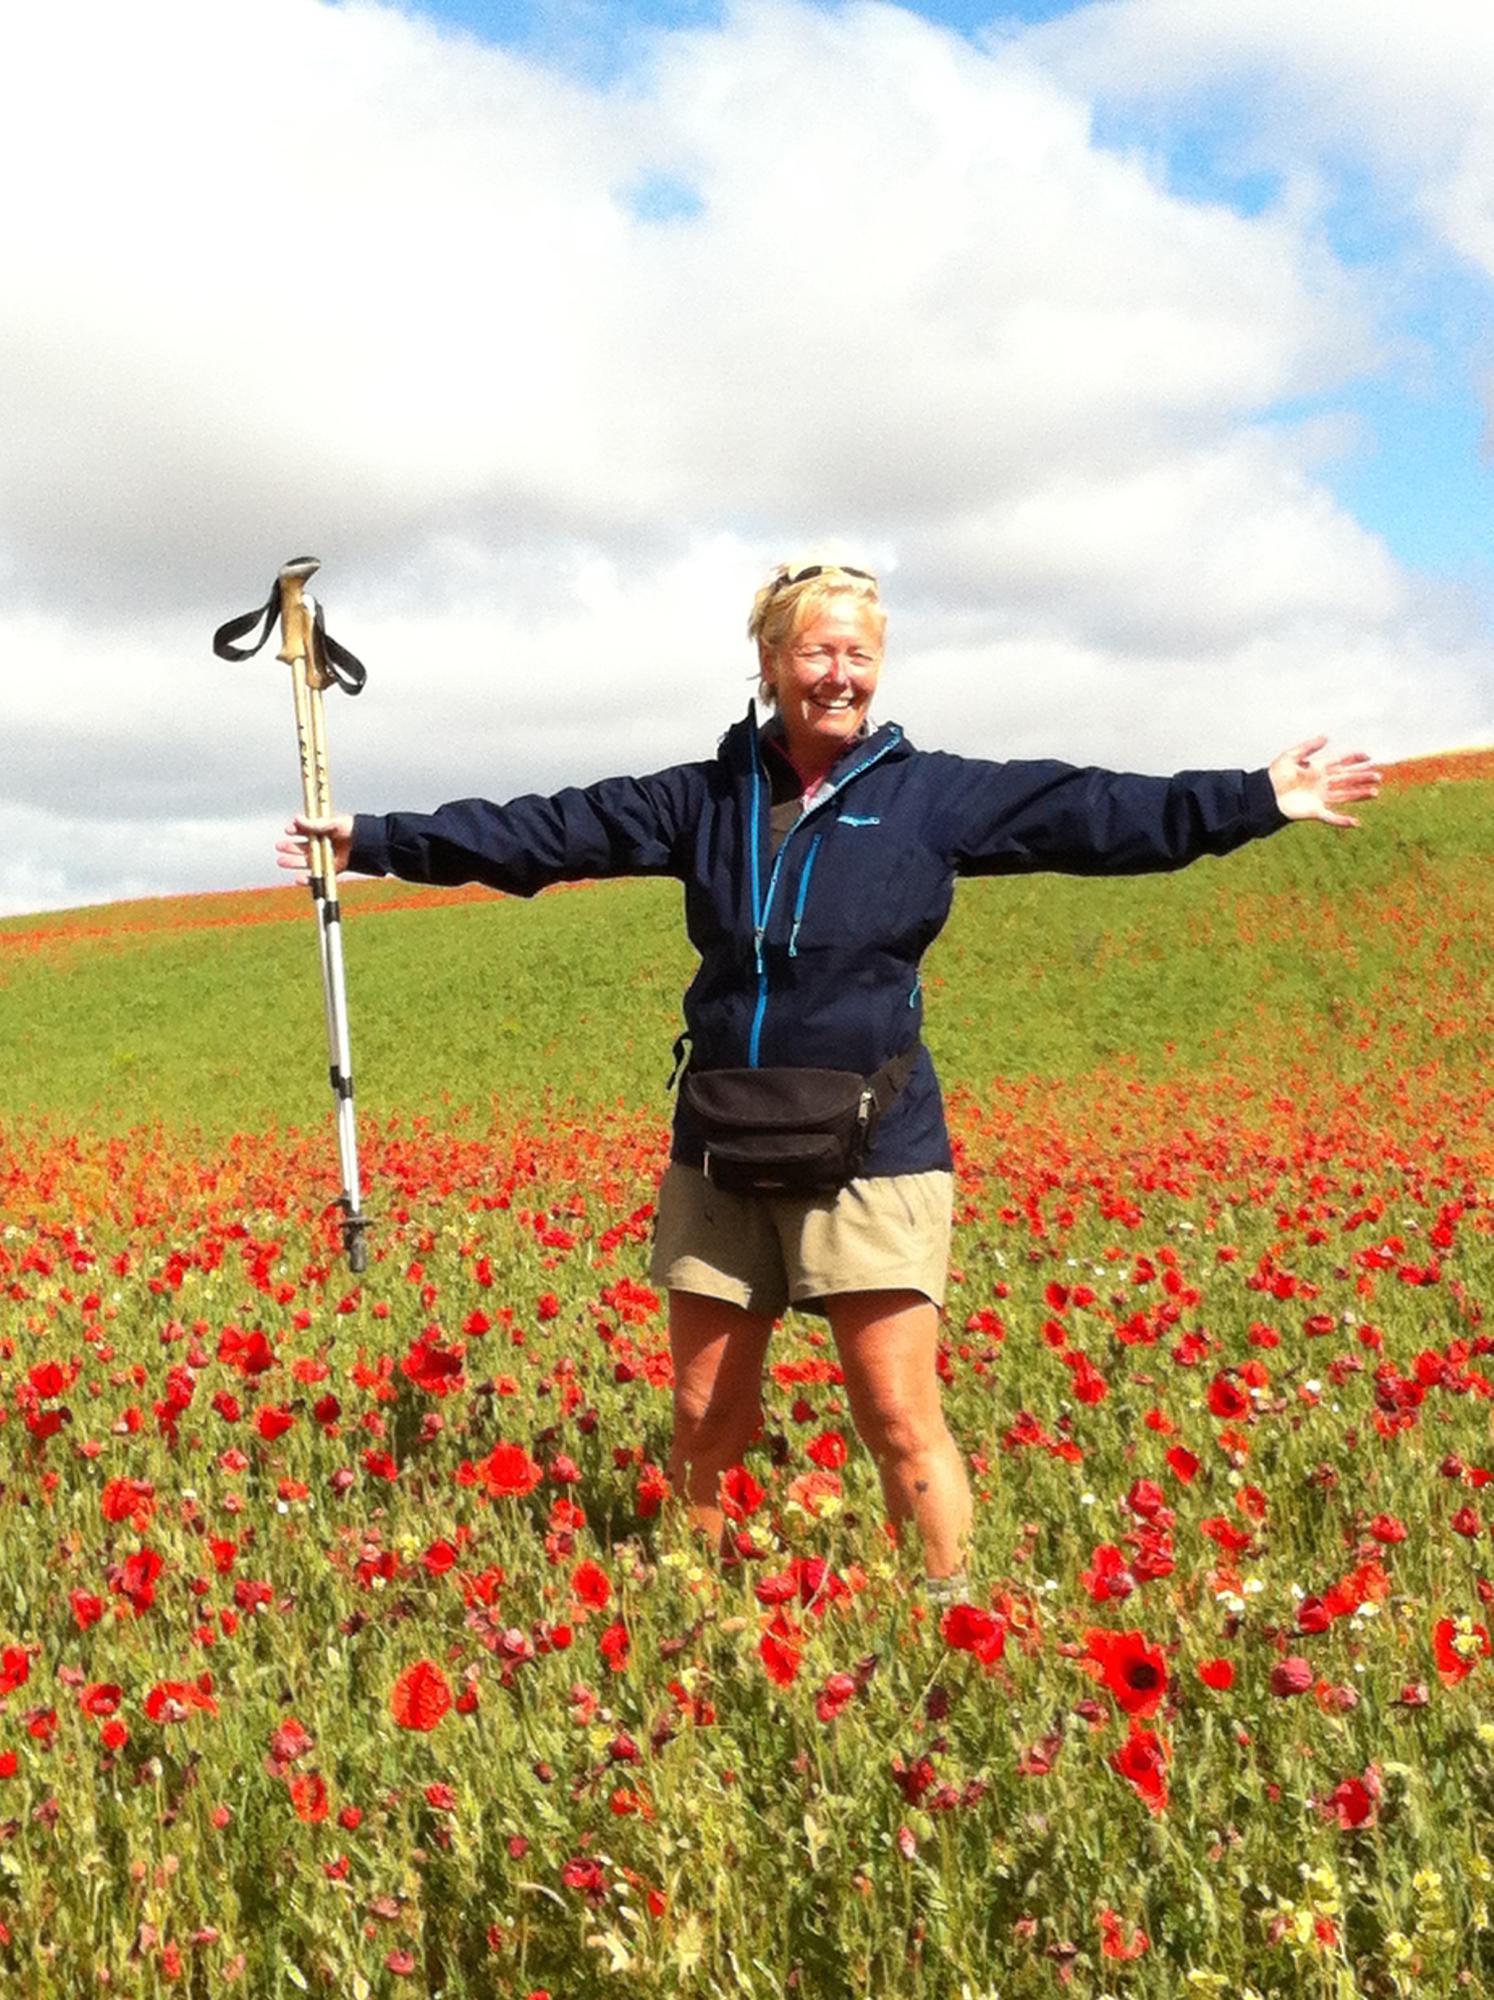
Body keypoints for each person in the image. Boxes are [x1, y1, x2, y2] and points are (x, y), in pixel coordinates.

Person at [278, 560, 1380, 1599]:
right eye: (815, 653)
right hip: (722, 1143)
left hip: (875, 1146)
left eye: (858, 655)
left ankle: (949, 1617)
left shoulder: (929, 796)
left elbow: (1096, 812)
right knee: (706, 1412)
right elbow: (549, 830)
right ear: (769, 662)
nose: (838, 674)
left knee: (897, 1412)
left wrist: (1253, 796)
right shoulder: (704, 798)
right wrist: (375, 836)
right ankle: (699, 1608)